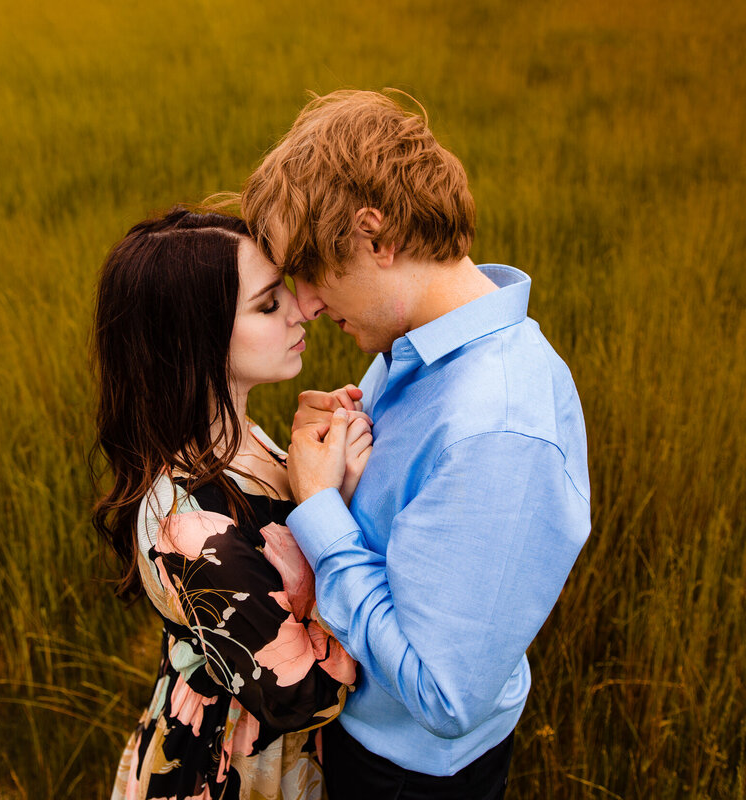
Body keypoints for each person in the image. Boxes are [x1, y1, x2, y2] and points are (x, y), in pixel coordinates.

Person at [238, 90, 592, 799]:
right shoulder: (413, 343)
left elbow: (442, 694)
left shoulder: (498, 426)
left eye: (312, 270)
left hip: (409, 774)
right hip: (353, 730)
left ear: (378, 237)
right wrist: (342, 478)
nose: (306, 302)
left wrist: (318, 509)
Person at [90, 207, 368, 800]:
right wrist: (333, 510)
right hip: (232, 774)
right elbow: (301, 696)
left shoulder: (242, 437)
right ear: (195, 337)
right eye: (268, 305)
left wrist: (314, 471)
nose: (300, 310)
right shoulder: (187, 523)